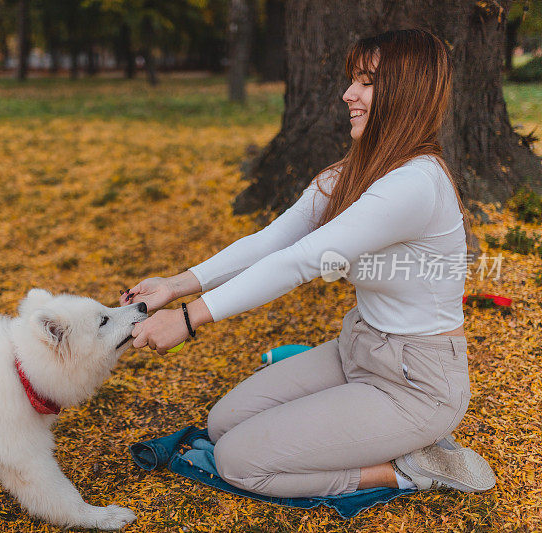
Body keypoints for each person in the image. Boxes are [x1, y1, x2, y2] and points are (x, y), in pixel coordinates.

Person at [119, 29, 496, 498]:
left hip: (416, 384)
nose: (348, 94)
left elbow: (303, 260)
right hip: (357, 347)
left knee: (239, 461)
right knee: (222, 424)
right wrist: (175, 287)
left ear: (406, 93)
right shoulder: (358, 171)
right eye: (353, 80)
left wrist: (190, 320)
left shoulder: (414, 185)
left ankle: (412, 468)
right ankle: (371, 436)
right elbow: (271, 241)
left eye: (367, 82)